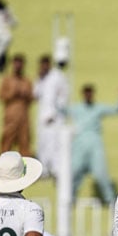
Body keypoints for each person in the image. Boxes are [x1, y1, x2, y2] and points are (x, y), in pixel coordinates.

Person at [67, 84, 118, 204]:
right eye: (86, 92)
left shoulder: (98, 108)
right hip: (79, 145)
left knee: (101, 173)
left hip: (95, 145)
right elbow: (60, 110)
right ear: (83, 94)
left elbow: (116, 109)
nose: (88, 95)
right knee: (74, 172)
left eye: (90, 92)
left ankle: (111, 201)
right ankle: (69, 200)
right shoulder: (76, 108)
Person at [35, 41, 70, 178]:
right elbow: (36, 94)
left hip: (55, 118)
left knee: (55, 144)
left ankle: (56, 170)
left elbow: (63, 96)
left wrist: (55, 113)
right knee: (42, 143)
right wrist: (39, 78)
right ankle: (43, 169)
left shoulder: (58, 76)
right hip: (42, 117)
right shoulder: (41, 79)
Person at [0, 53, 32, 156]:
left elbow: (31, 98)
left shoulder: (26, 81)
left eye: (20, 63)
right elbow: (1, 96)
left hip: (23, 118)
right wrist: (12, 93)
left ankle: (27, 169)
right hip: (11, 118)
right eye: (16, 63)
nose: (18, 66)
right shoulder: (7, 80)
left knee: (25, 144)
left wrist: (25, 94)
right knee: (6, 143)